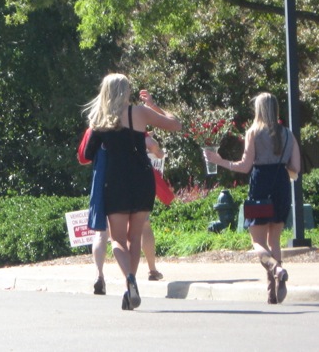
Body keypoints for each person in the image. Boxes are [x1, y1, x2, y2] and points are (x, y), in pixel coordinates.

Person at [82, 74, 181, 310]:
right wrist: (153, 106)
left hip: (114, 182)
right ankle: (131, 286)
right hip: (141, 179)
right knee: (134, 237)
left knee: (117, 240)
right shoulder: (140, 113)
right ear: (126, 91)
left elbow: (86, 154)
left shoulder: (100, 119)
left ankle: (130, 279)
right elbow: (176, 124)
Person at [204, 92, 300, 304]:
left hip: (260, 187)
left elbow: (245, 166)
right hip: (281, 186)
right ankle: (273, 292)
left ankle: (276, 268)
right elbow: (296, 168)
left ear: (259, 110)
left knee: (256, 240)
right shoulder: (288, 134)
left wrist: (220, 161)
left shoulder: (253, 133)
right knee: (274, 239)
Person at [90, 134, 169, 296]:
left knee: (102, 232)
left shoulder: (100, 125)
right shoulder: (133, 123)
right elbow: (154, 146)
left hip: (103, 178)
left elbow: (85, 154)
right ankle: (149, 270)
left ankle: (99, 274)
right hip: (132, 181)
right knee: (139, 230)